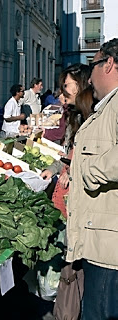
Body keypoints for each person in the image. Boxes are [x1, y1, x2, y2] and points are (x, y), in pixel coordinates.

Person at [65, 38, 118, 319]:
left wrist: (87, 172)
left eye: (93, 64)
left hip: (110, 251)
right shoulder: (106, 108)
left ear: (109, 63)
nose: (91, 75)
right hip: (101, 242)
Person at [41, 63, 92, 217]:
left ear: (80, 85)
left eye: (66, 85)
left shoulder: (91, 118)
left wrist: (73, 171)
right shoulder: (74, 116)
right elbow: (68, 155)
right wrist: (53, 169)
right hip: (67, 196)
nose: (63, 91)